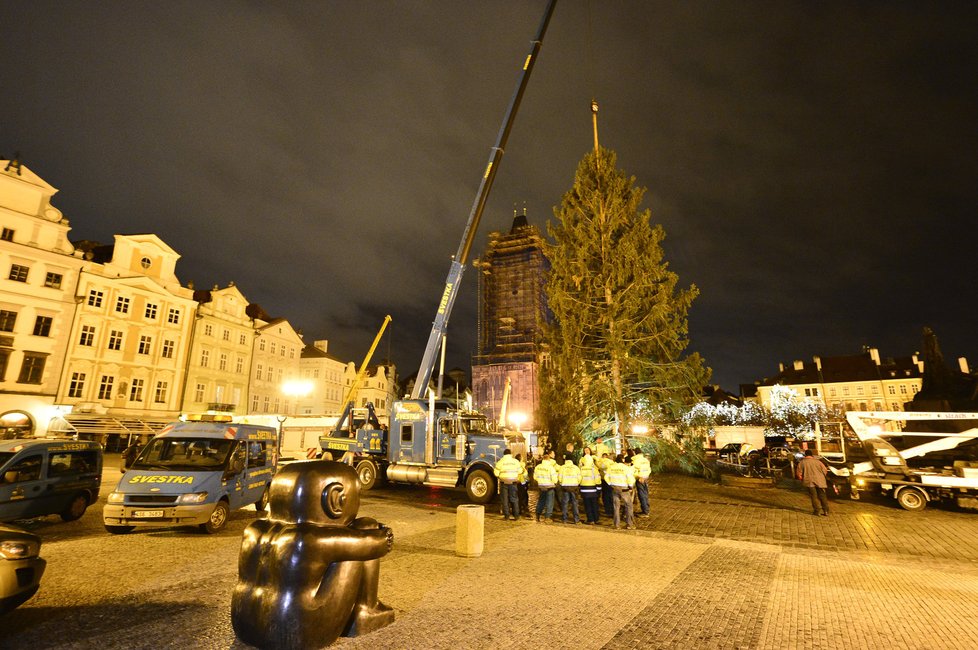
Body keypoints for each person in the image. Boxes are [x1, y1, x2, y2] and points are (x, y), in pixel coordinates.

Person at [605, 454, 636, 530]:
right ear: (622, 460)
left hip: (615, 488)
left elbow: (606, 477)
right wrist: (630, 486)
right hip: (624, 489)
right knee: (628, 506)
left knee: (616, 507)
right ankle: (629, 524)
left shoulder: (611, 467)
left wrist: (610, 484)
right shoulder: (625, 468)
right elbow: (630, 479)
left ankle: (617, 525)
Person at [796, 449, 830, 516]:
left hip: (809, 481)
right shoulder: (818, 462)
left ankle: (817, 511)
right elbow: (825, 470)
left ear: (805, 455)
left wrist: (802, 479)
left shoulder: (802, 462)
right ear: (812, 455)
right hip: (820, 481)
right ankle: (826, 511)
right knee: (822, 495)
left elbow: (799, 473)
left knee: (813, 496)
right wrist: (821, 476)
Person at [493, 448, 522, 521]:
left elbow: (496, 473)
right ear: (510, 454)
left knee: (505, 499)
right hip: (513, 482)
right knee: (514, 499)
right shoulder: (515, 461)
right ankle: (516, 515)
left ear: (504, 454)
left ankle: (507, 516)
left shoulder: (500, 461)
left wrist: (500, 476)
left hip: (504, 482)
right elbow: (520, 471)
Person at [533, 451, 559, 523]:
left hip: (541, 486)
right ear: (548, 460)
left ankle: (537, 515)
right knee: (549, 502)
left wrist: (540, 481)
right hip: (549, 486)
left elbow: (535, 477)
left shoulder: (538, 467)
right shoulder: (550, 467)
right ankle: (547, 517)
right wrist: (555, 482)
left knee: (541, 500)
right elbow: (554, 478)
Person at [557, 455, 582, 524]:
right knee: (575, 503)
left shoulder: (562, 468)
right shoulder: (576, 468)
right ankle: (576, 520)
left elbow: (559, 478)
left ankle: (564, 519)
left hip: (565, 487)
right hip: (574, 487)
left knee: (565, 503)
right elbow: (579, 478)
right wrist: (576, 483)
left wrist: (562, 484)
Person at [579, 453, 602, 524]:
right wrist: (598, 490)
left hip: (584, 490)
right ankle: (596, 519)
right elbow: (598, 480)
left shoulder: (581, 469)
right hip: (593, 490)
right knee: (594, 505)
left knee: (587, 505)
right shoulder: (594, 470)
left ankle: (590, 519)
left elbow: (579, 479)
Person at [631, 448, 652, 517]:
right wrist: (645, 476)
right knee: (645, 494)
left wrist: (639, 477)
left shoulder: (635, 460)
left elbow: (633, 471)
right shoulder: (645, 460)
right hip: (645, 478)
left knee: (641, 495)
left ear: (635, 453)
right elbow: (649, 469)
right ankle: (646, 509)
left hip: (640, 479)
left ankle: (645, 511)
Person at [596, 452, 615, 517]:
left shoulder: (602, 462)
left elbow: (600, 467)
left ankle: (608, 510)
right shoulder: (612, 462)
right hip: (611, 480)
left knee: (605, 495)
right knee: (611, 495)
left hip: (604, 480)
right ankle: (613, 509)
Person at [515, 453, 531, 518]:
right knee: (523, 496)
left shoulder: (515, 465)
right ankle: (523, 509)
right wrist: (527, 482)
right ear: (520, 459)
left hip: (517, 482)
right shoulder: (522, 465)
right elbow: (525, 474)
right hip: (522, 482)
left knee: (519, 496)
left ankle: (519, 509)